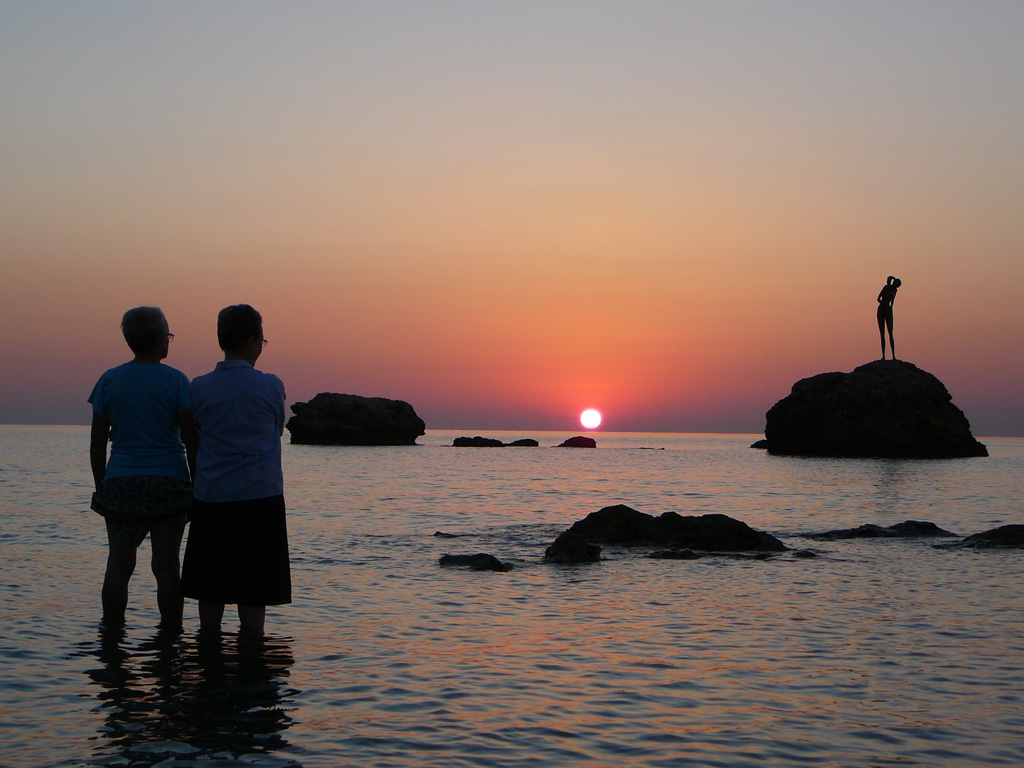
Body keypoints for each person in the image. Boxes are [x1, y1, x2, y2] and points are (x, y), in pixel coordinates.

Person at [180, 304, 290, 638]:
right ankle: (252, 670)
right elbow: (278, 428)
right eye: (262, 340)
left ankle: (208, 662)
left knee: (210, 590)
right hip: (261, 497)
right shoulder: (271, 386)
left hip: (212, 496)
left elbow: (194, 433)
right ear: (253, 339)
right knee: (254, 593)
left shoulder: (199, 387)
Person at [89, 307, 198, 628]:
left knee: (119, 566)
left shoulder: (109, 380)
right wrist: (198, 484)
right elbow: (192, 439)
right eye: (168, 335)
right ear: (160, 340)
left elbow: (97, 444)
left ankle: (111, 635)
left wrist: (102, 486)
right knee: (166, 567)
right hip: (169, 482)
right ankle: (170, 636)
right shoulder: (177, 381)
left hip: (122, 481)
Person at [876, 275, 901, 360]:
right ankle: (883, 356)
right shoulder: (886, 287)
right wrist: (885, 305)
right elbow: (878, 299)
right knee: (882, 334)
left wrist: (890, 309)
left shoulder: (895, 290)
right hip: (881, 310)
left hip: (888, 311)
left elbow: (892, 301)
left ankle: (893, 356)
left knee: (891, 333)